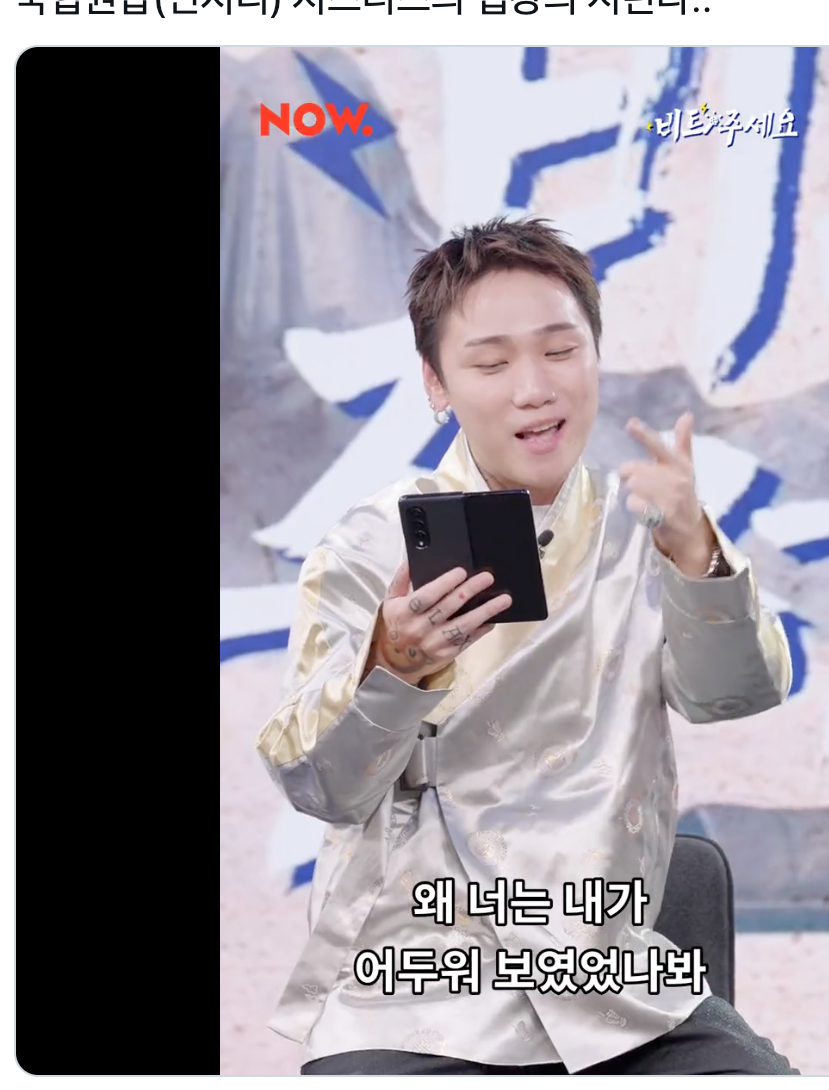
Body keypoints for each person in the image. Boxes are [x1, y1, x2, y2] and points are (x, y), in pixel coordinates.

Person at [256, 217, 799, 1075]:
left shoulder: (650, 528)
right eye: (491, 363)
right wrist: (391, 667)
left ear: (595, 356)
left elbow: (733, 694)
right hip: (416, 993)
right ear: (436, 383)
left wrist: (697, 555)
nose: (535, 389)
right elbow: (316, 785)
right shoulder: (367, 547)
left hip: (616, 988)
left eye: (560, 350)